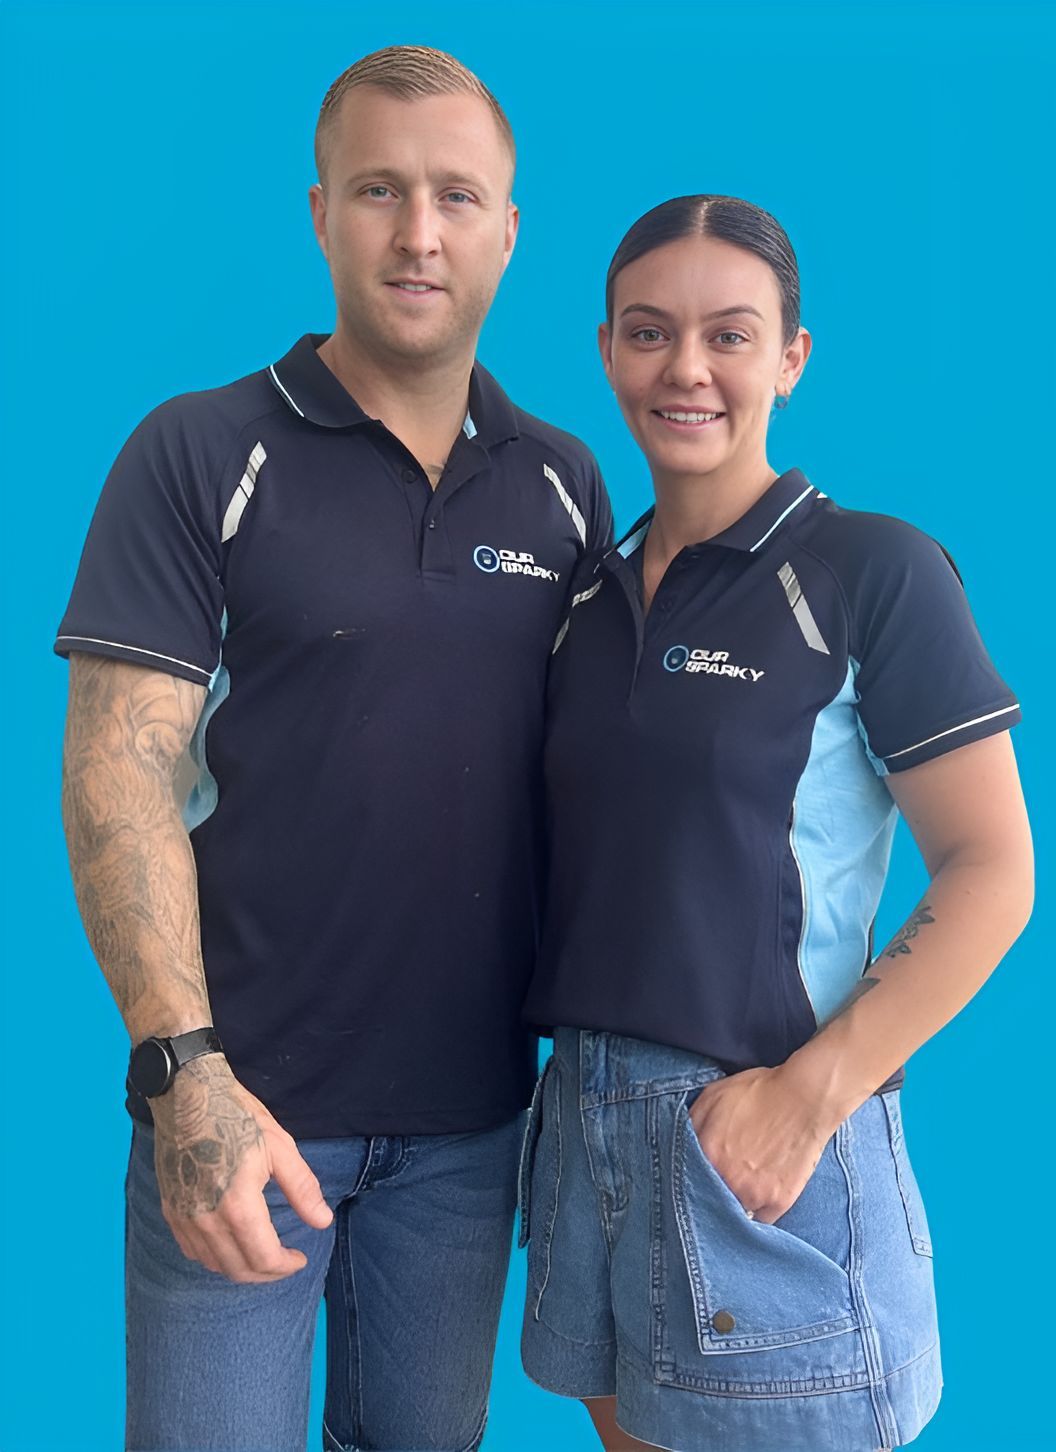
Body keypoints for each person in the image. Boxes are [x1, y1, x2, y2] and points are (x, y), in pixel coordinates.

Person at [56, 45, 611, 1452]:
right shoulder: (199, 451)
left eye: (455, 196)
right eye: (379, 190)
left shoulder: (564, 483)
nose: (419, 233)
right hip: (243, 1115)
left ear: (507, 231)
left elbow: (608, 785)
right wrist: (183, 1074)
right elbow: (118, 771)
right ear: (320, 214)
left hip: (472, 1132)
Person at [517, 195, 1032, 1452]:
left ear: (791, 358)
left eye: (730, 335)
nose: (685, 368)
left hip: (760, 1132)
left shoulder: (871, 572)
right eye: (650, 333)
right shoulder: (581, 601)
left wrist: (809, 1097)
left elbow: (993, 869)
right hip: (585, 1127)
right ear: (607, 352)